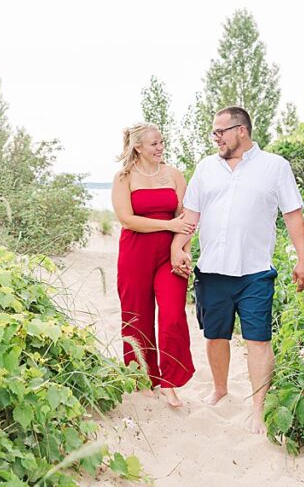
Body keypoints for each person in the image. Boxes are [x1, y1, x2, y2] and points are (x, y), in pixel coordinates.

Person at [170, 106, 304, 434]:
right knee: (215, 335)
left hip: (255, 271)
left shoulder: (275, 166)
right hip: (212, 270)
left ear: (241, 131)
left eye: (220, 131)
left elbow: (293, 215)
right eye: (214, 132)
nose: (215, 138)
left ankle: (258, 407)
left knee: (258, 339)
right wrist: (178, 247)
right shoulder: (206, 168)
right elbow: (191, 216)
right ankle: (220, 389)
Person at [112, 123, 196, 407]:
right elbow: (126, 219)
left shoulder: (174, 174)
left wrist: (183, 249)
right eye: (154, 144)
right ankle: (144, 378)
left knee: (172, 316)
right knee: (137, 317)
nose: (160, 148)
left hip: (170, 254)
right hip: (135, 254)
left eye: (161, 142)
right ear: (138, 147)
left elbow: (187, 217)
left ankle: (171, 382)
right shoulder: (124, 177)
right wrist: (167, 224)